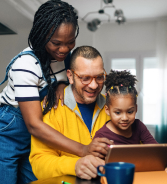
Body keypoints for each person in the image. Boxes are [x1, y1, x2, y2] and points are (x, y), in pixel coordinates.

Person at [0, 1, 110, 184]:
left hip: (32, 140)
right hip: (5, 134)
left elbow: (61, 76)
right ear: (42, 35)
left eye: (70, 42)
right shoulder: (25, 65)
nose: (64, 49)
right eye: (57, 43)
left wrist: (61, 85)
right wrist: (83, 150)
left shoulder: (61, 57)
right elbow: (34, 124)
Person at [30, 45, 113, 180]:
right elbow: (39, 163)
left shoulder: (112, 107)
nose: (94, 85)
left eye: (99, 77)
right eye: (85, 78)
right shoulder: (51, 108)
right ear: (70, 76)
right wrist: (74, 165)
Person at [93, 70, 158, 144]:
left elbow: (156, 151)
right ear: (107, 110)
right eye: (118, 112)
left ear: (136, 109)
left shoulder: (139, 126)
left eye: (130, 112)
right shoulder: (101, 136)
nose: (125, 118)